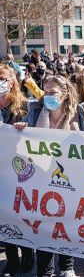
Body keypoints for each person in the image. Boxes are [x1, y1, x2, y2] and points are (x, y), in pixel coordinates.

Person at [14, 75, 84, 277]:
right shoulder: (36, 110)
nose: (48, 96)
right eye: (46, 92)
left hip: (70, 176)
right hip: (41, 175)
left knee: (66, 221)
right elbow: (26, 137)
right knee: (44, 222)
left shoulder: (79, 112)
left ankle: (67, 267)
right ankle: (45, 270)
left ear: (65, 94)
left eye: (53, 93)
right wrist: (22, 129)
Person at [0, 65, 34, 276]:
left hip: (20, 170)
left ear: (12, 81)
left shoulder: (24, 106)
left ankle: (28, 255)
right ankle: (11, 258)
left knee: (20, 215)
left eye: (3, 78)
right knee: (3, 216)